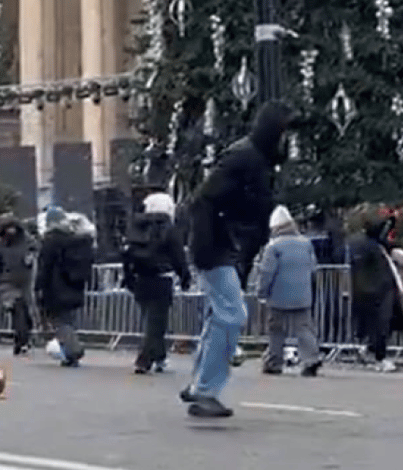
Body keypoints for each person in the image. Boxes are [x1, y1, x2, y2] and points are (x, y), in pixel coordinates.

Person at [182, 100, 292, 418]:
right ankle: (205, 391)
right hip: (217, 246)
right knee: (231, 314)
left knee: (219, 314)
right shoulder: (246, 159)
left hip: (222, 245)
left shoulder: (251, 157)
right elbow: (205, 199)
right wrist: (209, 246)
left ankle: (199, 385)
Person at [122, 192, 191, 374]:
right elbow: (178, 256)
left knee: (149, 319)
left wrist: (128, 277)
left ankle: (160, 356)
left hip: (140, 277)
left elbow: (127, 253)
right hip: (162, 278)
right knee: (156, 322)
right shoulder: (169, 228)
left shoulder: (137, 226)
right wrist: (185, 277)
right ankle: (144, 360)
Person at [256, 205, 320, 377]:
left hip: (278, 296)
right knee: (304, 328)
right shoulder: (306, 243)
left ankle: (274, 362)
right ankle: (311, 359)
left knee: (276, 330)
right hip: (303, 295)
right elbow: (313, 269)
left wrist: (262, 292)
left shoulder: (273, 247)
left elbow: (267, 272)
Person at [347, 214, 403, 373]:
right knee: (381, 324)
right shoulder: (373, 248)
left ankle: (371, 348)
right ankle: (379, 356)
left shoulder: (361, 245)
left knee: (376, 324)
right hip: (379, 290)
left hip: (367, 290)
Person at [35, 207, 95, 367]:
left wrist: (39, 286)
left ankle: (74, 349)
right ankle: (69, 354)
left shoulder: (51, 240)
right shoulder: (77, 240)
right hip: (74, 285)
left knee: (59, 322)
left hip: (55, 287)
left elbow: (45, 267)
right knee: (68, 319)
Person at [0, 216, 35, 355]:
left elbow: (35, 252)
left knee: (25, 313)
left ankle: (23, 338)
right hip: (7, 282)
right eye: (8, 228)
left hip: (25, 282)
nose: (11, 231)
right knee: (17, 310)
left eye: (13, 228)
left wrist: (31, 258)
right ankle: (21, 340)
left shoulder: (27, 242)